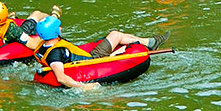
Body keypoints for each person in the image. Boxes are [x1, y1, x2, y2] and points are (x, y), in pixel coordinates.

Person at [28, 14, 170, 90]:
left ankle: (149, 42)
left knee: (115, 37)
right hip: (91, 59)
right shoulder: (55, 53)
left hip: (81, 56)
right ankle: (151, 43)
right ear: (53, 31)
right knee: (115, 34)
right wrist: (83, 87)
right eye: (58, 27)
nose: (61, 29)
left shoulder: (43, 45)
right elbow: (61, 77)